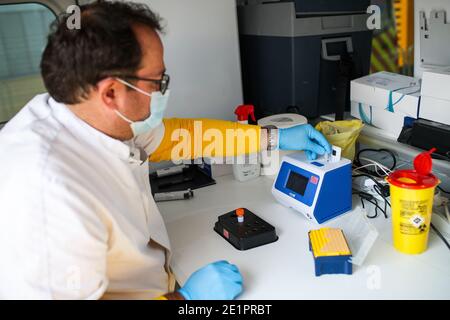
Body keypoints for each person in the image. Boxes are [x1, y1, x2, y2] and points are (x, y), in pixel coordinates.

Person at [0, 1, 331, 300]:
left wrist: (272, 138)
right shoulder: (47, 192)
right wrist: (186, 300)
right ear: (112, 92)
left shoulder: (87, 114)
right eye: (157, 82)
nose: (163, 91)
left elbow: (185, 137)